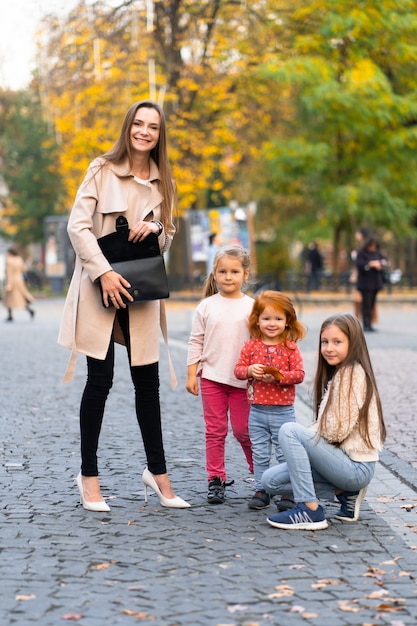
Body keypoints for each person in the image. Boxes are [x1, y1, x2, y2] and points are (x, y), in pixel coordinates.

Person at [58, 100, 190, 512]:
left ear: (159, 134)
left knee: (147, 385)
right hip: (101, 286)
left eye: (152, 126)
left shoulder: (164, 180)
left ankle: (158, 473)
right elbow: (76, 227)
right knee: (99, 382)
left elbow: (167, 233)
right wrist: (102, 272)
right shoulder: (101, 168)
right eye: (138, 123)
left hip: (142, 290)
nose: (144, 131)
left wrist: (155, 227)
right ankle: (89, 476)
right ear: (128, 127)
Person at [262, 313, 386, 530]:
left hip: (355, 467)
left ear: (353, 343)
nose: (329, 348)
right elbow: (327, 433)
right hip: (341, 465)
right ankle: (345, 493)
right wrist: (307, 447)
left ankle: (310, 510)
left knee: (289, 431)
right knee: (271, 481)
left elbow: (335, 431)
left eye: (337, 342)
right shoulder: (339, 374)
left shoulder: (352, 375)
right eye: (325, 342)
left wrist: (305, 444)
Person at [186, 245, 254, 504]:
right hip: (212, 377)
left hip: (243, 381)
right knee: (215, 431)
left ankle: (259, 474)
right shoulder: (206, 307)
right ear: (214, 274)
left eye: (234, 271)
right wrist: (192, 374)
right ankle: (216, 479)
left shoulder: (252, 307)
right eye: (223, 271)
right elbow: (196, 342)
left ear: (245, 274)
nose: (228, 276)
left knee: (244, 431)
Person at [234, 291, 306, 510]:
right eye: (266, 318)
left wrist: (279, 376)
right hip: (257, 410)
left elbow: (300, 374)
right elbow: (237, 371)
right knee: (260, 452)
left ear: (287, 322)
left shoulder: (290, 348)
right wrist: (249, 370)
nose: (272, 323)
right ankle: (261, 489)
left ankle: (286, 492)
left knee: (285, 453)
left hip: (283, 411)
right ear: (257, 320)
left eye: (277, 319)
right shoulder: (251, 346)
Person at [356, 236, 388, 332]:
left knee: (372, 304)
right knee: (366, 304)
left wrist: (381, 264)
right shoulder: (362, 253)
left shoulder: (377, 253)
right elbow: (360, 265)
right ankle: (366, 324)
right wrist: (371, 264)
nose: (373, 248)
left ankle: (370, 323)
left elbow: (385, 261)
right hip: (365, 284)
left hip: (375, 283)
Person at [3, 248, 35, 322]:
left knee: (9, 299)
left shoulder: (9, 261)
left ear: (10, 253)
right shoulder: (19, 259)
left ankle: (10, 315)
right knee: (19, 298)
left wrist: (9, 284)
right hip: (19, 280)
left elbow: (9, 273)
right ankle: (29, 310)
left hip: (12, 281)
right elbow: (24, 269)